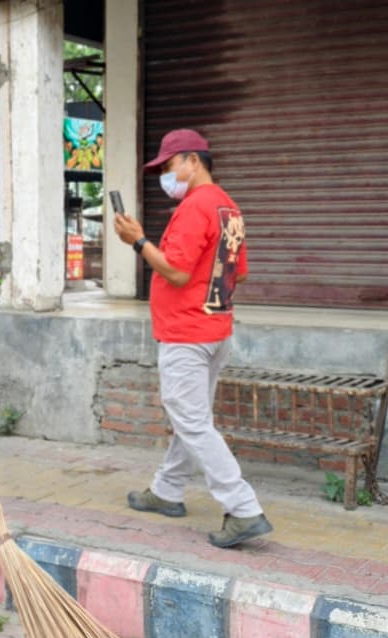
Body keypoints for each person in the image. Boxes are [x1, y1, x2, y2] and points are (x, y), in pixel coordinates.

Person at [112, 128, 273, 549]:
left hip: (186, 333)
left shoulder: (194, 207)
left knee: (193, 421)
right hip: (215, 329)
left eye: (169, 166)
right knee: (191, 417)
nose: (166, 177)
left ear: (193, 161)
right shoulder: (228, 207)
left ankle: (243, 508)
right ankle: (167, 490)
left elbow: (177, 272)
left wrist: (137, 241)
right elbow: (239, 273)